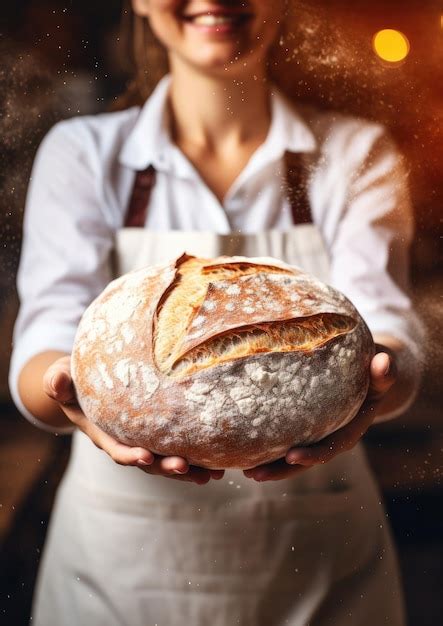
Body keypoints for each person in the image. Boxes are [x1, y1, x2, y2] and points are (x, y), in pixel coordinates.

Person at [9, 1, 424, 624]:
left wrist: (380, 384)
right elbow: (43, 342)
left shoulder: (353, 154)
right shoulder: (84, 153)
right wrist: (70, 395)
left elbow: (390, 333)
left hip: (319, 566)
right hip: (120, 572)